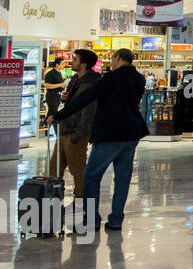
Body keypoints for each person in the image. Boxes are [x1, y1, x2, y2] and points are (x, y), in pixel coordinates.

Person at [46, 48, 148, 233]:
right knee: (123, 179)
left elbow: (84, 100)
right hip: (132, 133)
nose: (111, 62)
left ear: (118, 58)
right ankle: (116, 220)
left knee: (91, 176)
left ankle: (92, 219)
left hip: (110, 133)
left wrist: (59, 114)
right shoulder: (139, 79)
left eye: (112, 58)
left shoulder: (109, 79)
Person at [54, 49, 101, 212]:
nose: (71, 61)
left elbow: (88, 111)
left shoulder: (90, 83)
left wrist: (79, 134)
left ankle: (80, 201)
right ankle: (53, 196)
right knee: (55, 166)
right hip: (65, 128)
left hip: (75, 131)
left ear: (83, 64)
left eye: (74, 59)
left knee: (77, 169)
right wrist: (65, 98)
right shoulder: (76, 79)